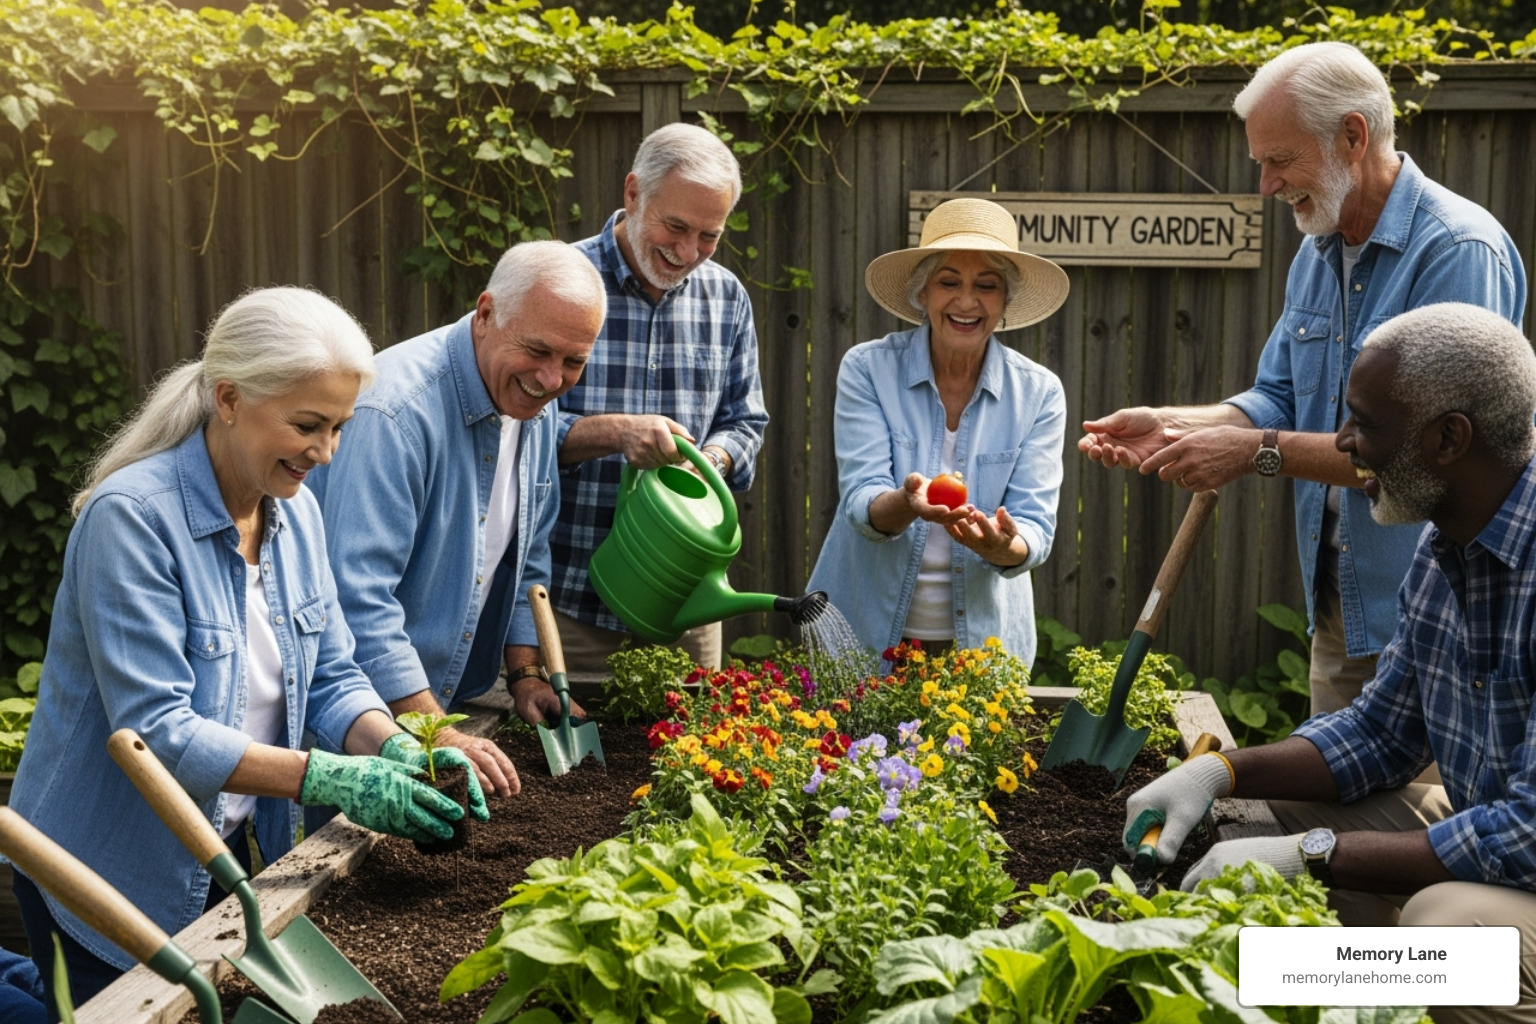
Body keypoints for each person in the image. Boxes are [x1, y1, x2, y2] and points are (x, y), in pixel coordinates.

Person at [9, 288, 482, 1017]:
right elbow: (158, 734)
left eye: (339, 427)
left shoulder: (296, 510)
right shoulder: (132, 520)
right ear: (229, 398)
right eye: (307, 425)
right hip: (104, 867)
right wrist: (328, 775)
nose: (325, 453)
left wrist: (398, 747)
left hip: (216, 849)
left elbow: (331, 674)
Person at [1078, 41, 1526, 716]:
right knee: (1334, 777)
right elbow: (1278, 396)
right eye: (1261, 163)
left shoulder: (1456, 250)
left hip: (1445, 613)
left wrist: (1255, 454)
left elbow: (1427, 460)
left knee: (1434, 787)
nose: (1266, 186)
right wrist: (1174, 424)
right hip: (1345, 609)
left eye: (1280, 160)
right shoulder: (1318, 253)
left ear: (1353, 136)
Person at [1125, 303, 1536, 1023]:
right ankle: (1306, 989)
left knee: (1444, 935)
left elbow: (1525, 836)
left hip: (1523, 849)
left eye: (1365, 423)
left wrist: (1313, 855)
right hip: (1501, 829)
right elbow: (1382, 733)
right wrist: (1218, 773)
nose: (1344, 443)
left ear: (1449, 438)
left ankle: (1301, 982)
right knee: (1271, 814)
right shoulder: (1448, 543)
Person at [307, 241, 605, 799]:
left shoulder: (536, 407)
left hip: (443, 699)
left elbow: (527, 554)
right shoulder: (396, 413)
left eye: (574, 361)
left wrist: (525, 674)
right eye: (538, 350)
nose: (551, 378)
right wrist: (436, 731)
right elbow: (357, 599)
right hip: (361, 717)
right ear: (487, 313)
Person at [805, 197, 1070, 667]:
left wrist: (1001, 545)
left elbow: (1034, 528)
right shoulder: (868, 369)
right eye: (949, 282)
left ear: (1004, 301)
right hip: (861, 636)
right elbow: (862, 500)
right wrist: (908, 502)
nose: (966, 301)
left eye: (986, 286)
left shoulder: (1039, 393)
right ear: (922, 293)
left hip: (983, 648)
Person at [553, 121, 770, 673]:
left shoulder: (727, 297)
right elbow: (508, 428)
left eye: (709, 236)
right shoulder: (558, 284)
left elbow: (746, 422)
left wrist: (710, 461)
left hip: (685, 607)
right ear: (633, 193)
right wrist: (616, 433)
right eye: (675, 226)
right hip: (568, 605)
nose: (688, 251)